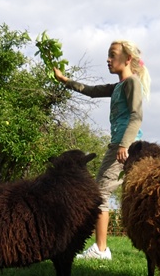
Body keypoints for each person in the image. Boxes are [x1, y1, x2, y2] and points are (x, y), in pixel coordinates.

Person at [53, 40, 151, 260]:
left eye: (112, 55)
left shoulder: (132, 83)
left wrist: (124, 144)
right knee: (108, 193)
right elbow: (91, 91)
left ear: (127, 59)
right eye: (108, 55)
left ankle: (101, 249)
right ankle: (101, 247)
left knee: (100, 193)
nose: (108, 59)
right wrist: (65, 80)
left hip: (124, 147)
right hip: (122, 145)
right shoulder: (118, 86)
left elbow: (136, 116)